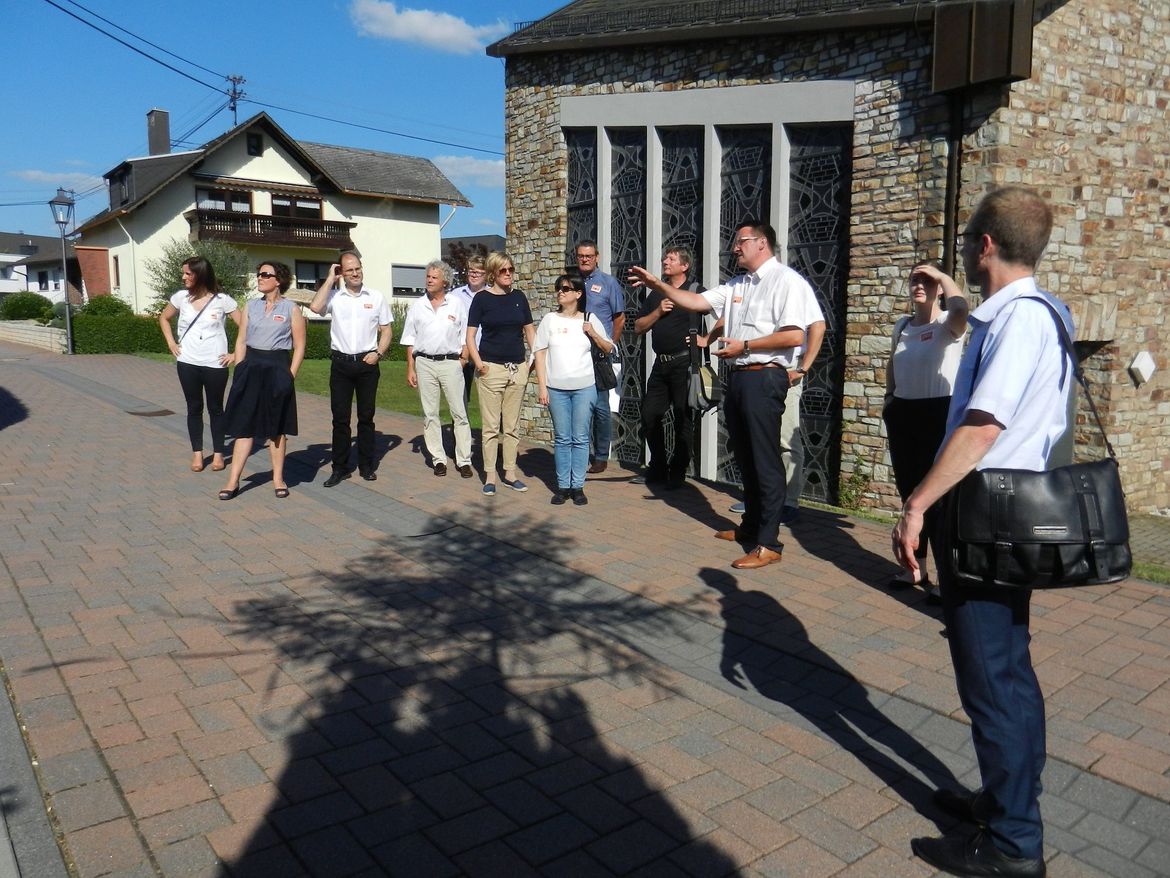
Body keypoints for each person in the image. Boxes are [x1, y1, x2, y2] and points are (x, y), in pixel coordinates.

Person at [893, 187, 1069, 878]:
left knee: (992, 680)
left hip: (986, 518)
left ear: (985, 245)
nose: (964, 253)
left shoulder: (1018, 321)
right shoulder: (1040, 312)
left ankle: (1015, 843)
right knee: (1010, 673)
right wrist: (950, 294)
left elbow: (982, 426)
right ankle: (1006, 799)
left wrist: (916, 504)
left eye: (968, 243)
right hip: (1013, 517)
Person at [629, 220, 807, 569]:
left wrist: (747, 345)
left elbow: (794, 336)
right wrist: (655, 283)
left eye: (741, 241)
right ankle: (750, 528)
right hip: (739, 376)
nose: (734, 247)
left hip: (765, 375)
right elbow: (694, 300)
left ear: (762, 243)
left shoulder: (785, 281)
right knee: (745, 459)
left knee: (765, 462)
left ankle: (768, 543)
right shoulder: (737, 285)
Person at [883, 262, 968, 600]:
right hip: (903, 412)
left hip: (939, 414)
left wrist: (942, 277)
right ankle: (914, 568)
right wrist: (890, 398)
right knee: (908, 488)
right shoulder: (902, 326)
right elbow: (893, 362)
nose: (919, 284)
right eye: (914, 279)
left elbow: (961, 307)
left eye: (926, 281)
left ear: (938, 288)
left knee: (939, 498)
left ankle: (948, 579)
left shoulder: (949, 324)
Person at [218, 262, 306, 500]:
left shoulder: (291, 309)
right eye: (259, 274)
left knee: (276, 428)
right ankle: (233, 480)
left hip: (278, 367)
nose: (260, 278)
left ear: (279, 280)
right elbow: (241, 339)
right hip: (251, 367)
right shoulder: (250, 307)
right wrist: (240, 366)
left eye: (265, 275)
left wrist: (290, 374)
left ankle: (278, 478)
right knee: (244, 425)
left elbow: (299, 345)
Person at [309, 250, 393, 486]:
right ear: (341, 273)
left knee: (366, 417)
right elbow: (315, 307)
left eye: (357, 268)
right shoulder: (334, 296)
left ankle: (367, 466)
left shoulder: (376, 297)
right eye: (349, 270)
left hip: (367, 365)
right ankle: (340, 468)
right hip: (341, 365)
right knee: (340, 419)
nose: (355, 273)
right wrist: (329, 279)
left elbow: (386, 330)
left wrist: (379, 353)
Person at [534, 274, 613, 506]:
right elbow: (540, 352)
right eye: (559, 288)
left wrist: (593, 333)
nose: (561, 292)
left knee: (579, 439)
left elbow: (609, 347)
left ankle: (578, 486)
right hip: (556, 388)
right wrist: (542, 386)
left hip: (584, 388)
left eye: (566, 289)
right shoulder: (549, 319)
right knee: (562, 438)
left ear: (578, 294)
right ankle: (563, 487)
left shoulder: (590, 318)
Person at [159, 257, 241, 473]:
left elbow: (246, 326)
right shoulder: (180, 298)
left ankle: (218, 454)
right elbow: (164, 318)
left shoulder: (223, 300)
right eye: (183, 273)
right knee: (194, 408)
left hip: (215, 363)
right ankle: (197, 453)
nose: (183, 277)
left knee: (216, 409)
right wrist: (171, 343)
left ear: (200, 274)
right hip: (187, 362)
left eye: (188, 273)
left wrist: (235, 354)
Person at [465, 252, 536, 496]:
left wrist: (532, 360)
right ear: (494, 273)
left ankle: (510, 473)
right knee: (491, 427)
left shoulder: (519, 297)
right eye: (504, 270)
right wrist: (478, 363)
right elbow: (470, 336)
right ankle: (490, 475)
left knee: (512, 426)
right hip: (490, 369)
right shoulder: (481, 299)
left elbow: (529, 331)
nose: (509, 274)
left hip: (516, 369)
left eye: (511, 270)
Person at [634, 246, 702, 488]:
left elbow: (724, 314)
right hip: (660, 365)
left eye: (671, 259)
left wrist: (707, 340)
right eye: (665, 257)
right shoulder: (655, 294)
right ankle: (659, 465)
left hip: (685, 363)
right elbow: (639, 327)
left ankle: (678, 471)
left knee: (683, 419)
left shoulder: (695, 291)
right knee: (650, 415)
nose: (665, 261)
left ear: (684, 266)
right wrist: (658, 312)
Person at [401, 260, 473, 478]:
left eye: (434, 277)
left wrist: (461, 361)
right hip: (424, 363)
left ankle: (463, 460)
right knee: (430, 414)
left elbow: (465, 337)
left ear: (445, 281)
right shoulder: (418, 305)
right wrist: (411, 367)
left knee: (459, 413)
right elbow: (410, 339)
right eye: (428, 276)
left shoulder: (456, 303)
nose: (429, 280)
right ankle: (438, 459)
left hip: (451, 363)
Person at [575, 240, 626, 474]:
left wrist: (611, 344)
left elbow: (619, 318)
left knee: (601, 408)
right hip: (574, 353)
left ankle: (601, 456)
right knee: (579, 405)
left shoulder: (608, 283)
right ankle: (581, 453)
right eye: (580, 256)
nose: (584, 259)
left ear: (597, 256)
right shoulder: (572, 283)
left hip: (598, 352)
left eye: (588, 256)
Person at [449, 254, 488, 407]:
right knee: (460, 399)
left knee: (489, 400)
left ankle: (492, 431)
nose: (474, 275)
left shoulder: (492, 295)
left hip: (485, 353)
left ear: (486, 275)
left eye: (478, 272)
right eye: (471, 271)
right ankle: (459, 431)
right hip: (462, 354)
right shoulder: (455, 295)